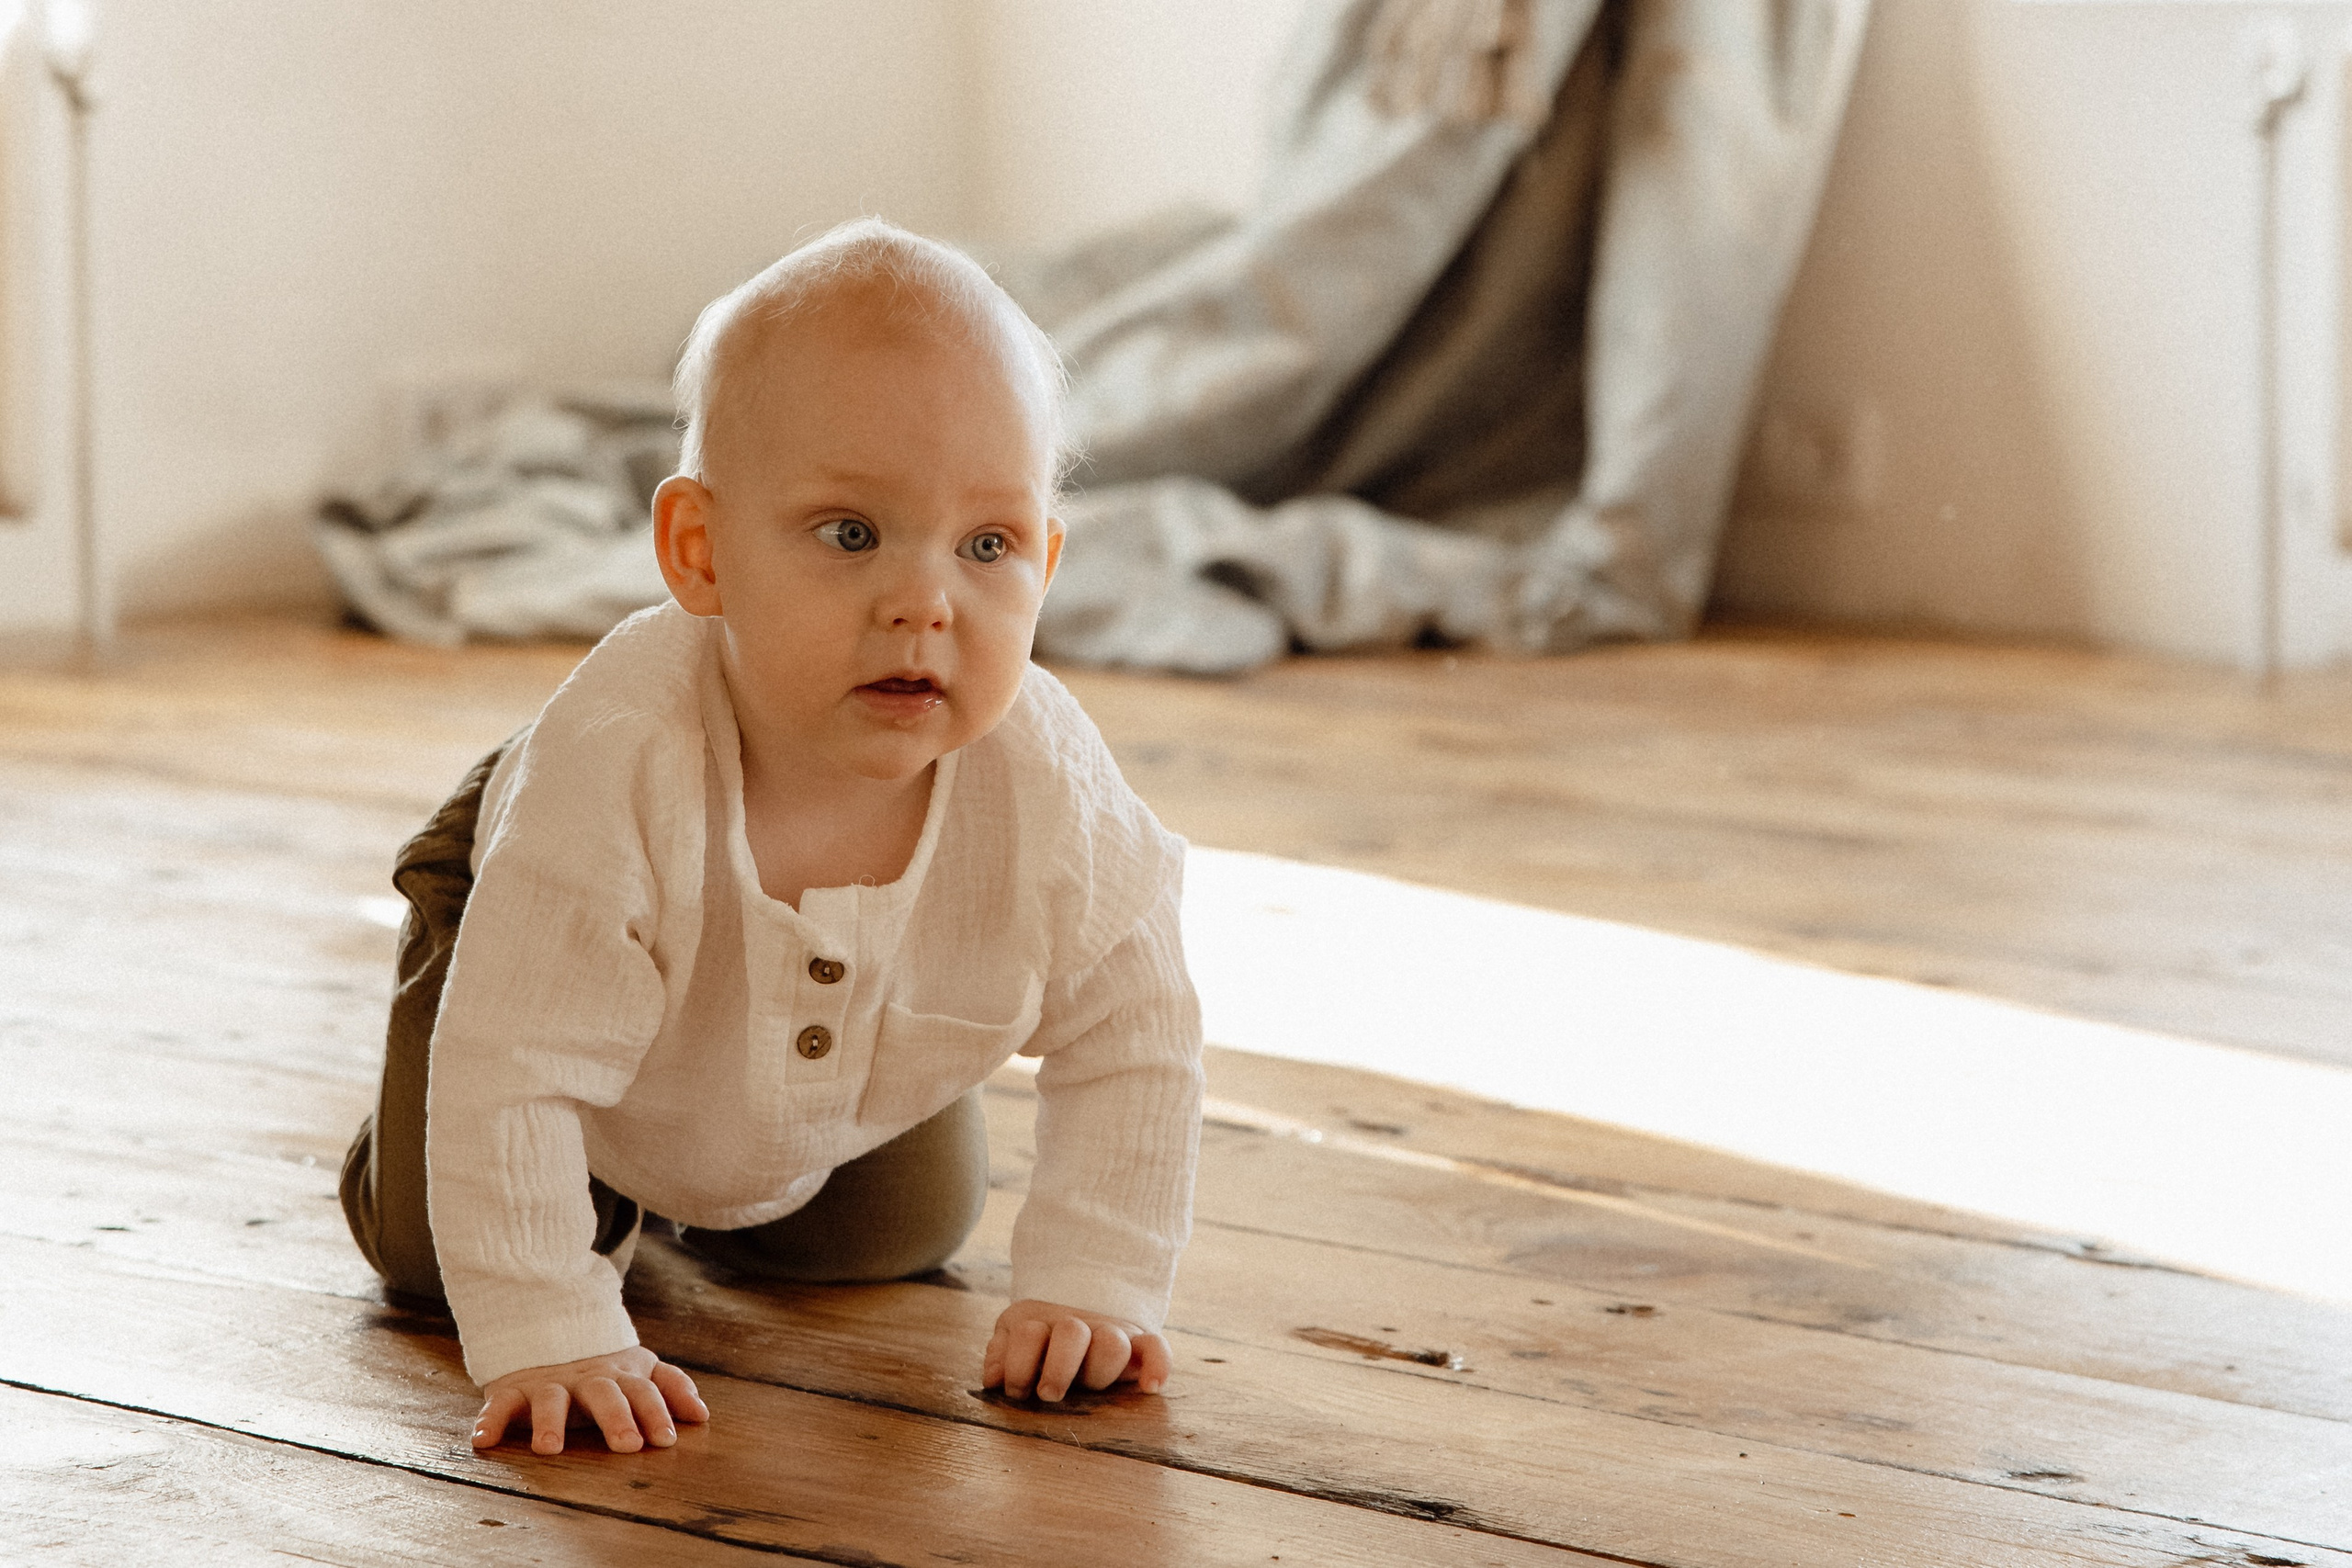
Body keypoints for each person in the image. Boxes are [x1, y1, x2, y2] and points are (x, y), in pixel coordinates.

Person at [337, 219, 1204, 1457]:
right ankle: (573, 1160)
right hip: (521, 947)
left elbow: (1137, 1030)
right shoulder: (616, 766)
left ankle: (704, 1165)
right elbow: (514, 1068)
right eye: (851, 534)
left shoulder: (1047, 778)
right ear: (701, 553)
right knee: (445, 1250)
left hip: (802, 1022)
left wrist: (1098, 1282)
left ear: (1048, 562)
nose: (925, 602)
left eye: (988, 545)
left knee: (890, 1238)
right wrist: (551, 1325)